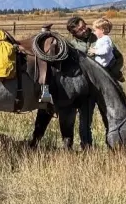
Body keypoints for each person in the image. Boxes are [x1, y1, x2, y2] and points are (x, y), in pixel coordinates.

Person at [30, 16, 98, 150]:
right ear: (73, 33)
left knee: (86, 121)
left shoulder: (98, 39)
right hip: (78, 85)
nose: (84, 30)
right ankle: (37, 141)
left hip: (92, 86)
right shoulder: (71, 46)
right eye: (80, 29)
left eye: (84, 26)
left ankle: (86, 146)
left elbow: (115, 56)